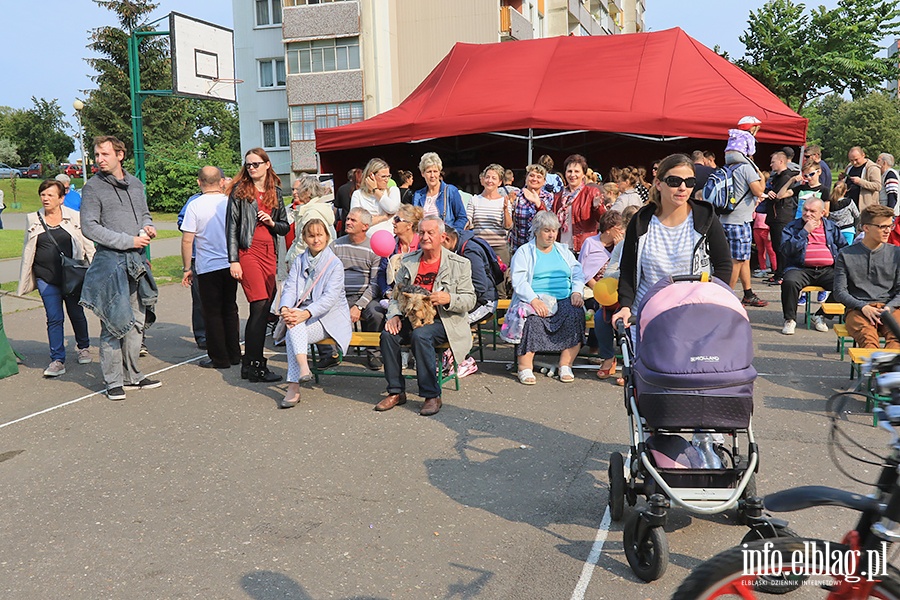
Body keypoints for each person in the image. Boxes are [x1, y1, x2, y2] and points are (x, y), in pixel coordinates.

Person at [612, 153, 733, 332]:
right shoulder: (641, 221)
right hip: (647, 316)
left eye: (690, 182)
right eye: (675, 181)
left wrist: (714, 300)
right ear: (659, 184)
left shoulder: (705, 217)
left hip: (693, 316)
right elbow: (628, 269)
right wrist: (625, 306)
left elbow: (723, 264)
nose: (683, 187)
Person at [79, 135, 160, 401]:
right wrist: (128, 241)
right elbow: (90, 227)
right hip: (109, 264)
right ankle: (113, 381)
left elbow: (144, 213)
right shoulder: (92, 188)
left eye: (104, 154)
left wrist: (148, 226)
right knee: (113, 325)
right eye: (97, 155)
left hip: (136, 262)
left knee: (137, 323)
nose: (99, 160)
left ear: (120, 155)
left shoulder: (136, 184)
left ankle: (132, 376)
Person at [376, 216, 476, 416]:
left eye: (430, 233)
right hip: (412, 316)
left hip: (445, 321)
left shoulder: (460, 263)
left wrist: (449, 298)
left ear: (442, 237)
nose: (425, 237)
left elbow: (470, 299)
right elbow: (396, 296)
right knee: (388, 335)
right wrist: (394, 316)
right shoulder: (408, 261)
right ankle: (396, 392)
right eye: (421, 232)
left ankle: (432, 395)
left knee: (421, 336)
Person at [18, 179, 94, 377]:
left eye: (50, 195)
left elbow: (88, 246)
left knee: (76, 313)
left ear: (61, 198)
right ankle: (57, 359)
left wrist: (95, 271)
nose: (45, 198)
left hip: (71, 277)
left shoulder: (75, 217)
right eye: (43, 194)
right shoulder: (33, 218)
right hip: (45, 278)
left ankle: (83, 346)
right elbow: (28, 249)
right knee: (54, 318)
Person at [226, 147, 289, 383]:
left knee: (264, 310)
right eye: (248, 165)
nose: (251, 168)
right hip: (247, 252)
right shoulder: (240, 192)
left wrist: (272, 222)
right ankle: (255, 366)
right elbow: (231, 228)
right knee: (260, 307)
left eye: (256, 164)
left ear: (267, 165)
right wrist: (234, 260)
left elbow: (284, 227)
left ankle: (249, 365)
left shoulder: (276, 192)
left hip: (269, 253)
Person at [278, 217, 351, 408]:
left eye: (320, 235)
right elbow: (290, 288)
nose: (316, 240)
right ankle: (301, 371)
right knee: (293, 324)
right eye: (311, 236)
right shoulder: (299, 260)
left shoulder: (334, 264)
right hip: (303, 317)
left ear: (327, 236)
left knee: (293, 327)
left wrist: (305, 314)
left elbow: (329, 299)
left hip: (329, 319)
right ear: (304, 238)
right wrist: (285, 308)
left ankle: (294, 385)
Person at [506, 211, 585, 385]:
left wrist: (577, 292)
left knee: (575, 314)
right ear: (536, 231)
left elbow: (577, 273)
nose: (551, 235)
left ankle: (565, 364)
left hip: (563, 297)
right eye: (546, 230)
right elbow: (519, 280)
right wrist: (534, 300)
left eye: (554, 231)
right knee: (532, 320)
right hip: (535, 298)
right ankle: (524, 367)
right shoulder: (525, 251)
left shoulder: (563, 251)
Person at [180, 167, 240, 370]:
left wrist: (187, 267)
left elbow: (188, 240)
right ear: (221, 181)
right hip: (230, 262)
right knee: (230, 309)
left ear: (199, 182)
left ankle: (219, 357)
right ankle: (234, 353)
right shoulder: (229, 203)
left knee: (212, 312)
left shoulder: (195, 205)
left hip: (207, 265)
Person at [317, 207, 385, 371]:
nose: (347, 222)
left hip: (365, 296)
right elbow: (326, 275)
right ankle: (330, 354)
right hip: (339, 295)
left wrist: (359, 306)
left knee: (376, 313)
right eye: (347, 219)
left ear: (365, 226)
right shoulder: (336, 245)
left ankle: (374, 354)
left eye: (353, 220)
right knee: (319, 310)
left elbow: (375, 283)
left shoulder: (374, 248)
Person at [832, 205, 900, 349]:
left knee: (897, 338)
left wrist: (889, 307)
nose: (888, 230)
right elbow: (839, 292)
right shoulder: (845, 254)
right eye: (882, 226)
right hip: (858, 309)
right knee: (868, 339)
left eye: (890, 225)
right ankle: (875, 370)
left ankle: (886, 371)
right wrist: (863, 307)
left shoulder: (896, 254)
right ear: (866, 228)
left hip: (890, 308)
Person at [777, 197, 847, 335]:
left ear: (822, 213)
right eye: (805, 210)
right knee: (789, 282)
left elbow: (844, 248)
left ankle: (821, 315)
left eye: (812, 211)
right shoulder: (792, 227)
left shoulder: (831, 227)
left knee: (846, 283)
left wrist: (837, 262)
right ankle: (790, 320)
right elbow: (786, 250)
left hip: (827, 270)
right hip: (800, 268)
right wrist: (804, 232)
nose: (807, 214)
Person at [579, 210, 626, 379]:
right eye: (619, 228)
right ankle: (608, 357)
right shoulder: (591, 243)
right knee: (600, 318)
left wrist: (619, 248)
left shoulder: (626, 245)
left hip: (624, 294)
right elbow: (583, 270)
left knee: (626, 320)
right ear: (609, 229)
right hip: (601, 291)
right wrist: (599, 289)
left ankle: (631, 362)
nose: (622, 232)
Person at [720, 159, 767, 307]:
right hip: (739, 222)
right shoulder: (746, 168)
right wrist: (762, 177)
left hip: (725, 219)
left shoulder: (728, 168)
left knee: (744, 259)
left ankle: (748, 293)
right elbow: (759, 191)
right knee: (738, 260)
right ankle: (727, 297)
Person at [466, 163, 512, 298]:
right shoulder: (474, 199)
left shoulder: (504, 201)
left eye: (494, 178)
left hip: (499, 248)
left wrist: (505, 210)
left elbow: (508, 226)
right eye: (487, 177)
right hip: (479, 247)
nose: (490, 181)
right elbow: (468, 220)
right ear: (482, 179)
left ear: (500, 182)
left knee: (500, 286)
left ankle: (502, 318)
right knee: (480, 282)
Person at [177, 178, 210, 351]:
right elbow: (181, 221)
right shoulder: (194, 201)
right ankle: (202, 335)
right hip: (199, 256)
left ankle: (223, 334)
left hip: (223, 258)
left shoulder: (225, 199)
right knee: (200, 299)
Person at [442, 226, 498, 323]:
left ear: (447, 239)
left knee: (451, 325)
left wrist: (456, 300)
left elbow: (479, 286)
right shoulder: (457, 246)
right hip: (465, 297)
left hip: (484, 301)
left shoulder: (470, 251)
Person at [553, 154, 606, 252]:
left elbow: (603, 220)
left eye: (576, 171)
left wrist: (597, 207)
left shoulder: (591, 192)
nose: (572, 175)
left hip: (582, 247)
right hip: (561, 247)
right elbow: (551, 221)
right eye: (569, 171)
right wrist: (539, 204)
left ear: (583, 175)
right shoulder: (558, 196)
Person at [762, 151, 800, 285]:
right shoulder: (775, 177)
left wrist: (774, 194)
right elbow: (767, 189)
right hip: (773, 216)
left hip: (782, 216)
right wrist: (767, 192)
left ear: (781, 162)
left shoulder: (787, 177)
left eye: (773, 162)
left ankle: (782, 274)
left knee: (781, 246)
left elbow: (780, 195)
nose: (771, 165)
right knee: (775, 245)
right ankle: (778, 271)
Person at [376, 204, 424, 303]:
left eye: (397, 219)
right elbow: (382, 272)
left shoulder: (422, 245)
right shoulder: (391, 244)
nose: (393, 222)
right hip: (394, 295)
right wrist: (387, 291)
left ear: (409, 225)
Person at [412, 152, 468, 231]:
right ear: (422, 173)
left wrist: (452, 235)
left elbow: (462, 218)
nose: (432, 175)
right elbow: (414, 221)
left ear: (439, 172)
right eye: (429, 172)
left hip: (444, 239)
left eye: (435, 171)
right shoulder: (418, 195)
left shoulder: (451, 191)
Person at [510, 164, 554, 254]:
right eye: (531, 175)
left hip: (541, 248)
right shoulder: (517, 196)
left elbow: (548, 222)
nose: (534, 179)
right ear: (526, 178)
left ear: (544, 181)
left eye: (539, 177)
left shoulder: (548, 197)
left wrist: (538, 203)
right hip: (519, 247)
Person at [351, 158, 401, 237]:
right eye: (383, 176)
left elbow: (392, 209)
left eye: (388, 176)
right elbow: (357, 221)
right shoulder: (358, 194)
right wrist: (384, 217)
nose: (387, 180)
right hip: (367, 241)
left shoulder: (393, 190)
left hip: (391, 239)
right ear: (371, 176)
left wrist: (375, 190)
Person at [846, 146, 882, 211]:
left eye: (856, 159)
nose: (854, 162)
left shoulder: (872, 168)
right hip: (849, 206)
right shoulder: (849, 167)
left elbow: (878, 186)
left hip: (865, 207)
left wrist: (860, 182)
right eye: (851, 160)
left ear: (863, 155)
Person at [828, 181, 860, 246]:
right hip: (848, 230)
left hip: (835, 230)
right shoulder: (849, 202)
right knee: (847, 249)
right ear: (845, 191)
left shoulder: (829, 203)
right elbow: (856, 215)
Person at [335, 168, 361, 234]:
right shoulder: (362, 189)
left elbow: (337, 207)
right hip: (360, 222)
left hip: (346, 221)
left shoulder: (342, 189)